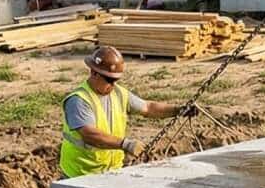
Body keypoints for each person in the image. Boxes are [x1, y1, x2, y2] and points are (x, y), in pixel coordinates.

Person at [58, 45, 192, 179]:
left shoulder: (119, 93)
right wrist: (126, 144)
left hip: (111, 172)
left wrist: (178, 110)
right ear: (94, 73)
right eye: (109, 80)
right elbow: (90, 135)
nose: (112, 84)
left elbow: (148, 108)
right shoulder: (79, 100)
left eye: (115, 80)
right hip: (80, 175)